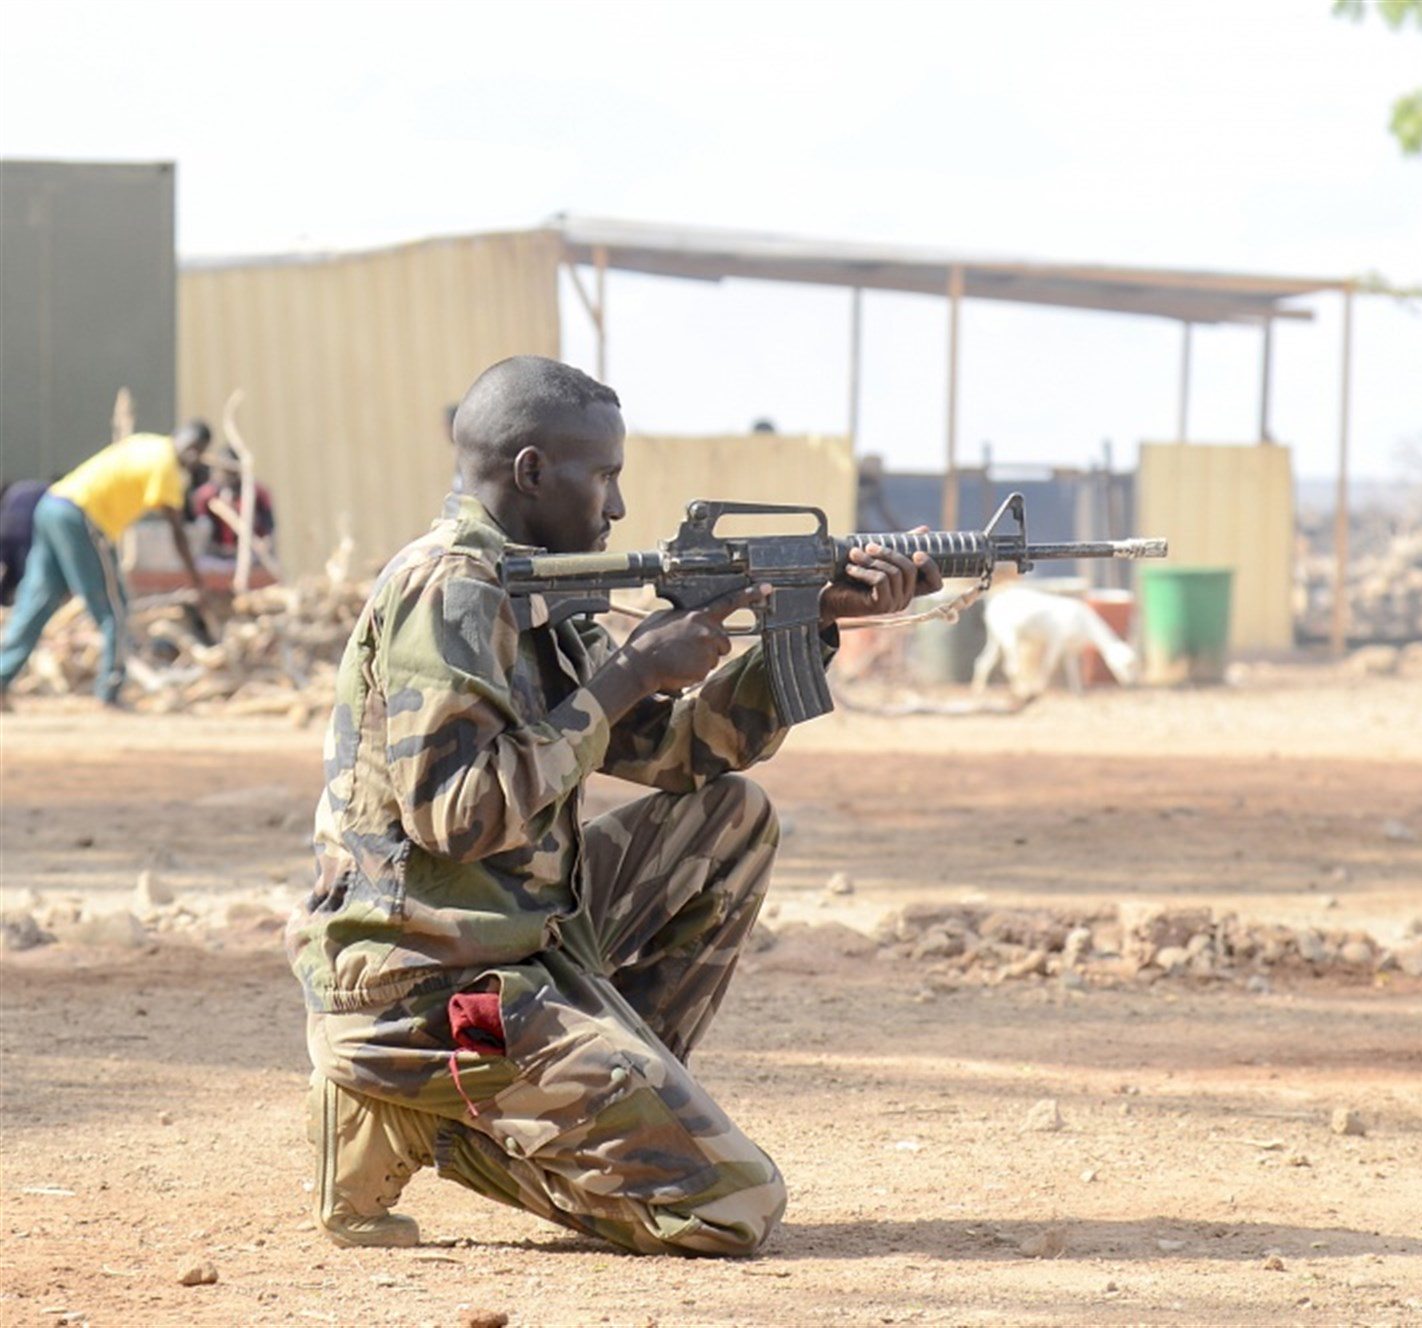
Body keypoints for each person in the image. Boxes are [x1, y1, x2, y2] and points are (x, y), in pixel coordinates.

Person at [286, 355, 939, 1255]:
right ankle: (429, 1120)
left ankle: (598, 1092)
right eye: (605, 477)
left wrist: (813, 622)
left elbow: (682, 752)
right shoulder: (451, 590)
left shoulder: (539, 585)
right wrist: (630, 674)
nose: (619, 508)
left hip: (523, 941)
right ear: (531, 472)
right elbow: (457, 814)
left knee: (730, 820)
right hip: (428, 991)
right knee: (732, 1209)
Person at [0, 422, 214, 710]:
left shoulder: (145, 442)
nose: (192, 458)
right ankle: (110, 690)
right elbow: (176, 529)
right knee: (114, 609)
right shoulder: (166, 466)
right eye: (194, 451)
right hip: (83, 517)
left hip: (52, 504)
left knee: (37, 602)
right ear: (191, 448)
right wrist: (196, 579)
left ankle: (1, 679)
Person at [187, 445, 277, 577]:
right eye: (223, 471)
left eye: (231, 471)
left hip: (250, 556)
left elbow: (269, 527)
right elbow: (201, 532)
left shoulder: (257, 493)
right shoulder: (206, 496)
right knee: (202, 565)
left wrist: (264, 545)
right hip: (217, 558)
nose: (226, 475)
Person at [0, 478, 52, 607]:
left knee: (11, 569)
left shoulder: (19, 487)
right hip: (24, 534)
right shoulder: (51, 493)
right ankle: (25, 606)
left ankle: (3, 601)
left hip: (4, 531)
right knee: (26, 574)